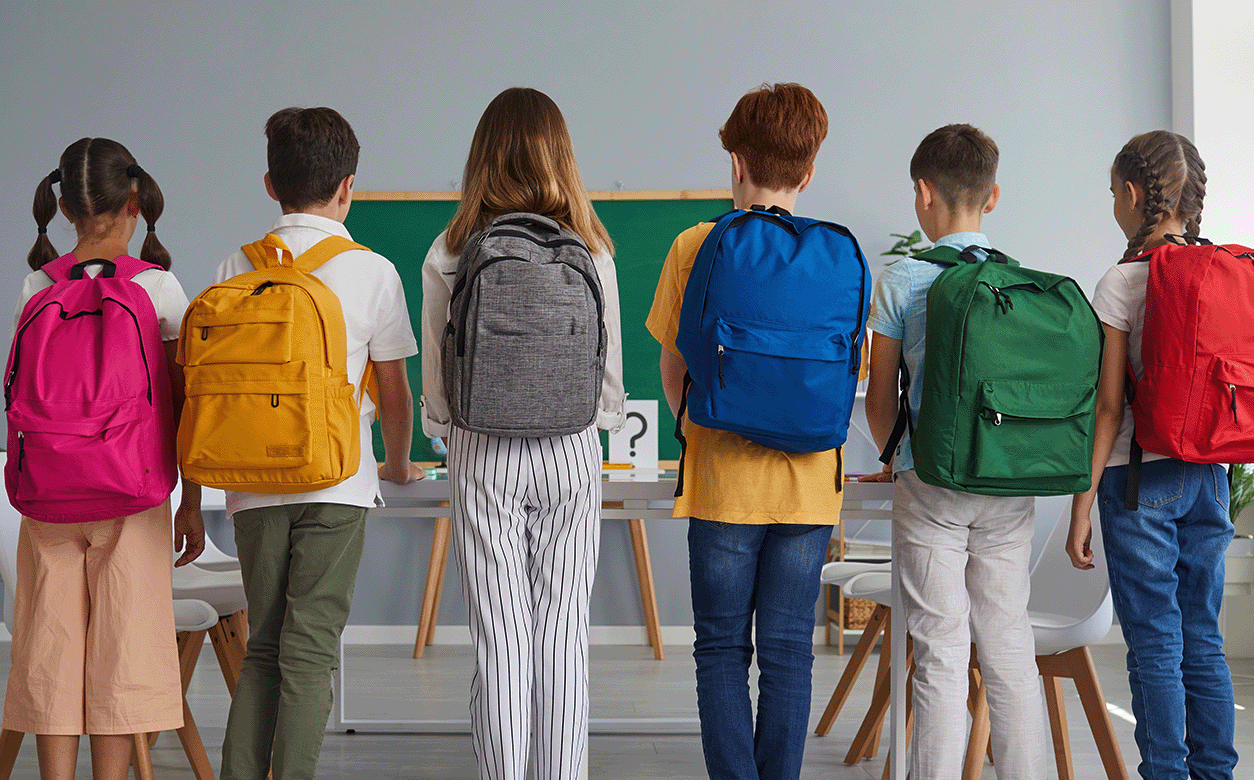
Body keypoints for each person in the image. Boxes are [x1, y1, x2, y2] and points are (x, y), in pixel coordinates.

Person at [420, 86, 625, 780]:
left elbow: (439, 397)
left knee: (501, 640)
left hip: (484, 452)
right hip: (571, 452)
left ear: (481, 159)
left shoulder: (449, 250)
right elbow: (610, 388)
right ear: (561, 157)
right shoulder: (594, 250)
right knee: (563, 637)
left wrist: (448, 431)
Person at [211, 107, 422, 780]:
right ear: (349, 186)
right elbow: (394, 394)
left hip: (249, 485)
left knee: (264, 647)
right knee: (309, 649)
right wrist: (393, 462)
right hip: (338, 481)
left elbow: (212, 388)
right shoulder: (373, 271)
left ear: (271, 184)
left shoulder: (232, 264)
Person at [646, 82, 848, 780]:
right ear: (810, 169)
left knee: (722, 649)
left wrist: (692, 428)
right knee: (791, 649)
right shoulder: (836, 256)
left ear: (735, 162)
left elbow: (674, 370)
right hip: (809, 491)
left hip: (723, 481)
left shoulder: (695, 245)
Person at [1, 137, 204, 780]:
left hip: (49, 493)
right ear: (137, 202)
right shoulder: (160, 288)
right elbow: (184, 406)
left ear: (62, 210)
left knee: (48, 649)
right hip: (135, 494)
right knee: (124, 651)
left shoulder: (37, 283)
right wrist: (191, 504)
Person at [862, 124, 1047, 778]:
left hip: (930, 482)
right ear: (992, 197)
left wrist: (893, 456)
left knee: (940, 654)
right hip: (1006, 484)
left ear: (922, 192)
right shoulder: (1020, 282)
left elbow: (880, 396)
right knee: (1008, 646)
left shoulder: (903, 280)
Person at [1067, 130, 1237, 780]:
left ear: (1134, 194)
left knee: (1155, 643)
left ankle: (1165, 772)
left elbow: (1107, 408)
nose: (1113, 202)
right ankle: (1216, 772)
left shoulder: (1122, 281)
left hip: (1140, 481)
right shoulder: (1221, 270)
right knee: (1202, 636)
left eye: (1113, 192)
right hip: (1210, 477)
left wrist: (1080, 508)